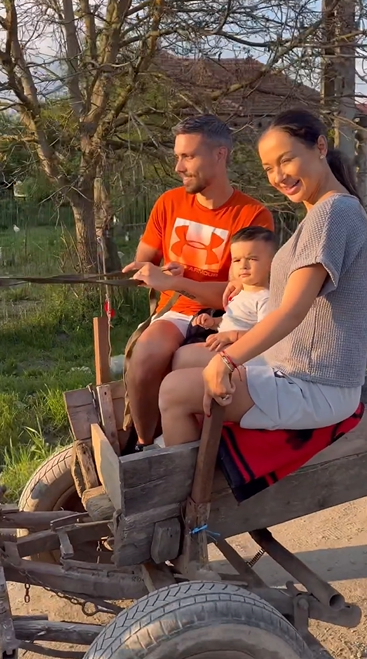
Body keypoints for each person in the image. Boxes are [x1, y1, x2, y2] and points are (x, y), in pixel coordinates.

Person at [158, 108, 367, 447]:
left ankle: (196, 480)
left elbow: (292, 311)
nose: (278, 176)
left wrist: (227, 360)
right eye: (268, 168)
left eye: (286, 160)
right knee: (186, 359)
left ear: (320, 147)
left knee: (173, 391)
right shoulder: (324, 211)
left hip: (316, 384)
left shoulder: (332, 214)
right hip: (295, 364)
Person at [122, 114, 274, 448]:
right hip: (176, 313)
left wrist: (174, 284)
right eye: (177, 156)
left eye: (188, 156)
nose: (178, 167)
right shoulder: (169, 203)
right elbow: (144, 260)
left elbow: (239, 293)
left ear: (220, 155)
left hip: (232, 317)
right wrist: (152, 272)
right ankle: (144, 445)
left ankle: (192, 436)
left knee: (184, 365)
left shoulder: (252, 216)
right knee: (144, 356)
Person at [172, 225, 277, 370]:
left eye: (252, 259)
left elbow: (265, 335)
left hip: (248, 356)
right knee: (183, 355)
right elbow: (234, 321)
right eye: (237, 260)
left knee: (183, 357)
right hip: (230, 346)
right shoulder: (241, 293)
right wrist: (214, 322)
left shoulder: (265, 298)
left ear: (272, 264)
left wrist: (231, 336)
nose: (243, 265)